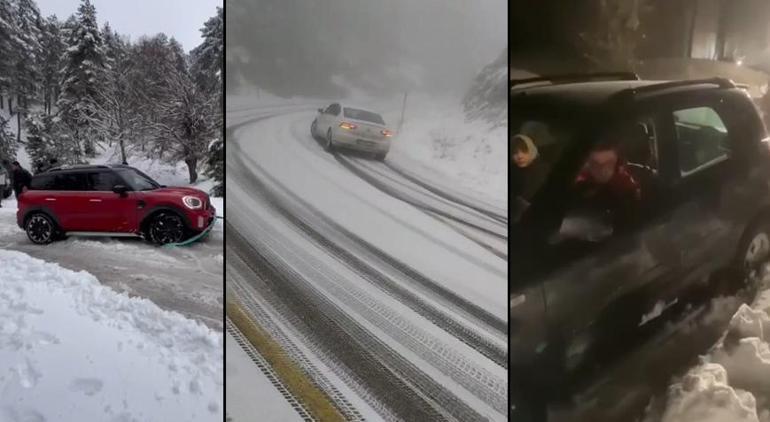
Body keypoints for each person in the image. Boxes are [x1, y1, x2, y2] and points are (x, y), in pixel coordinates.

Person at [573, 138, 641, 232]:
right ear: (587, 164)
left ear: (617, 162)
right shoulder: (578, 183)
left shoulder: (626, 187)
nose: (603, 170)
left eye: (609, 164)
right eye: (596, 165)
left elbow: (631, 225)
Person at [511, 134, 549, 201]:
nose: (520, 156)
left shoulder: (543, 170)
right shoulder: (513, 170)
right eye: (515, 152)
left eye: (524, 151)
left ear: (531, 150)